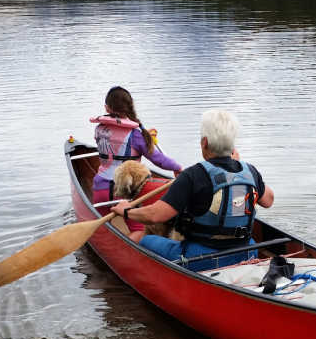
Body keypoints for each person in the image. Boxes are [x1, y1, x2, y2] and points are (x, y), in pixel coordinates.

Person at [111, 109, 274, 271]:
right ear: (232, 145)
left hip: (202, 258)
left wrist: (126, 211)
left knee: (146, 240)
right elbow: (268, 200)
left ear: (204, 142)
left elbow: (155, 215)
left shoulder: (193, 175)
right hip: (246, 252)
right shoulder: (250, 172)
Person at [91, 86, 182, 233]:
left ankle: (104, 241)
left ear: (106, 108)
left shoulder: (99, 128)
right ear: (130, 106)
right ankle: (128, 252)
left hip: (100, 187)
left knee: (102, 228)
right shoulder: (136, 134)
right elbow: (158, 160)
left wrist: (146, 136)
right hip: (125, 190)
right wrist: (177, 167)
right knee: (138, 230)